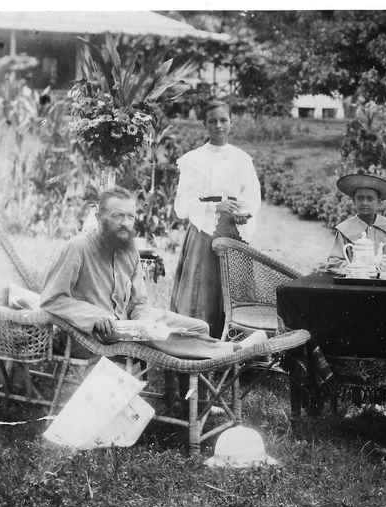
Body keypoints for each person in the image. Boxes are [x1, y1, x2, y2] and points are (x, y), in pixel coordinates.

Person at [41, 186, 260, 361]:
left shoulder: (129, 250)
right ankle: (233, 350)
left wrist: (144, 324)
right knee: (163, 336)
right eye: (117, 216)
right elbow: (52, 299)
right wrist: (94, 317)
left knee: (199, 326)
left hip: (128, 324)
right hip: (93, 334)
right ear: (99, 217)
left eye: (130, 217)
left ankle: (193, 396)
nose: (126, 224)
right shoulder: (77, 247)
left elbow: (139, 302)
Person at [170, 100, 262, 338]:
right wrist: (214, 206)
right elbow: (182, 205)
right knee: (204, 286)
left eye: (223, 120)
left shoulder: (242, 159)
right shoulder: (193, 159)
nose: (218, 126)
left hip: (234, 230)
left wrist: (245, 215)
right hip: (205, 230)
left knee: (234, 286)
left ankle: (234, 342)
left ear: (231, 122)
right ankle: (199, 340)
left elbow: (251, 198)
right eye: (212, 121)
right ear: (204, 125)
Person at [326, 174, 386, 272]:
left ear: (378, 201)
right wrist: (355, 268)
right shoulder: (345, 229)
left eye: (370, 199)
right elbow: (334, 262)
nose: (364, 203)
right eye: (360, 198)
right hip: (355, 281)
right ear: (354, 200)